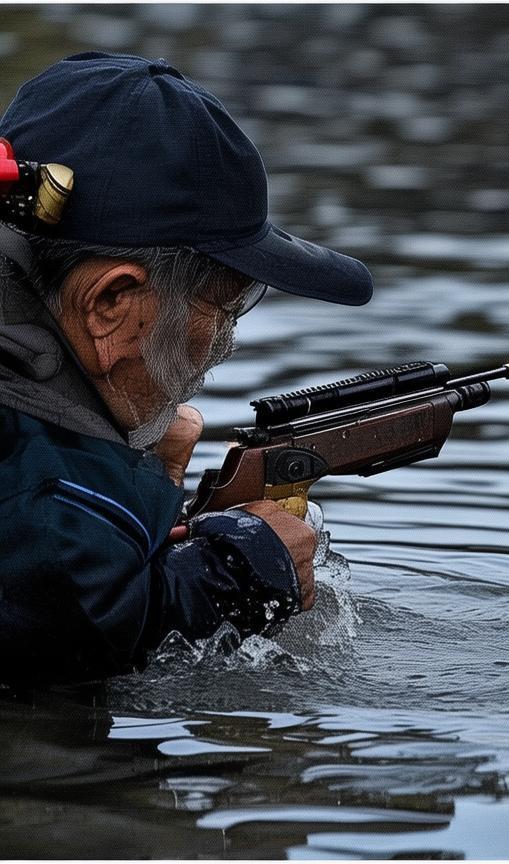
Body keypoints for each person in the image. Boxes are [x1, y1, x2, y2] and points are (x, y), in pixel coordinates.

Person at [0, 53, 375, 683]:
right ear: (109, 304)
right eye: (223, 309)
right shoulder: (51, 505)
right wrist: (238, 572)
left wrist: (137, 490)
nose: (224, 343)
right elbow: (83, 626)